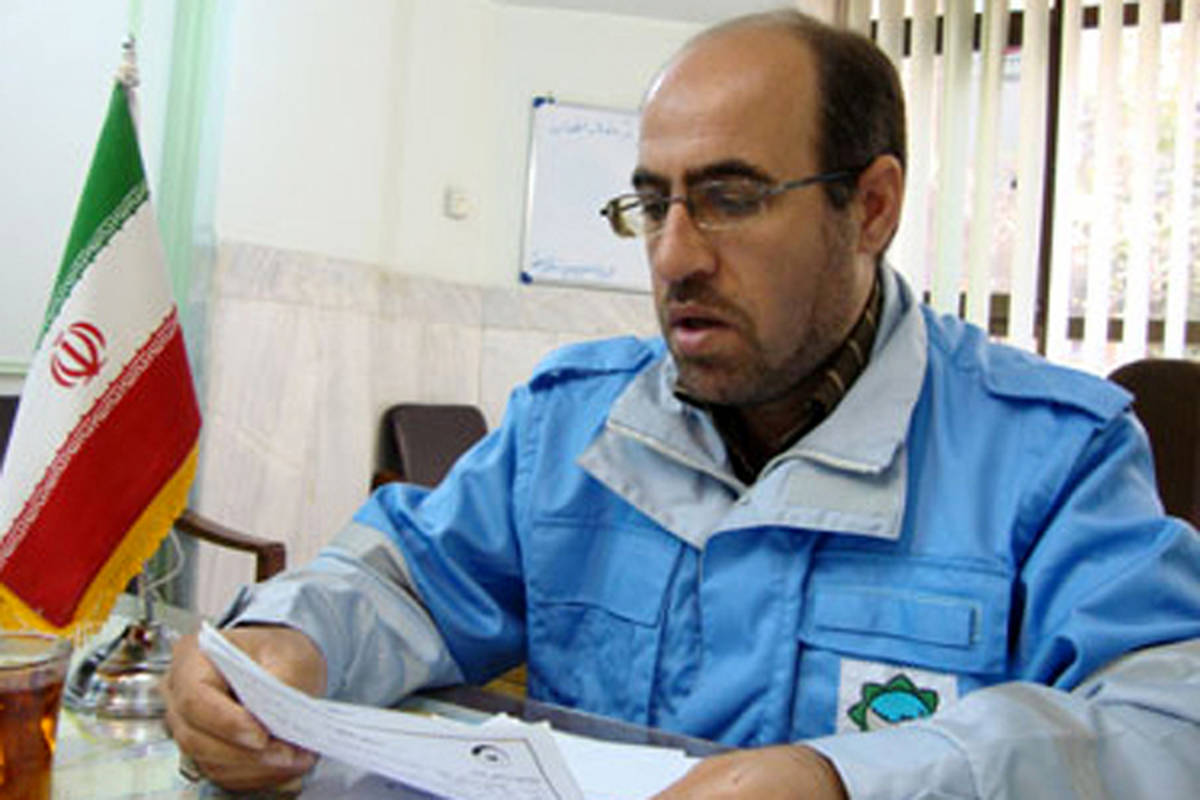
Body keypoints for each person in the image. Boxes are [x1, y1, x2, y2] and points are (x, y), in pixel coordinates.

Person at [164, 9, 1200, 798]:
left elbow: (1170, 724)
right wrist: (289, 645)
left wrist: (848, 780)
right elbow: (407, 579)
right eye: (653, 202)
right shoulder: (572, 424)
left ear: (873, 206)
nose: (673, 256)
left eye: (731, 198)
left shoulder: (1051, 456)